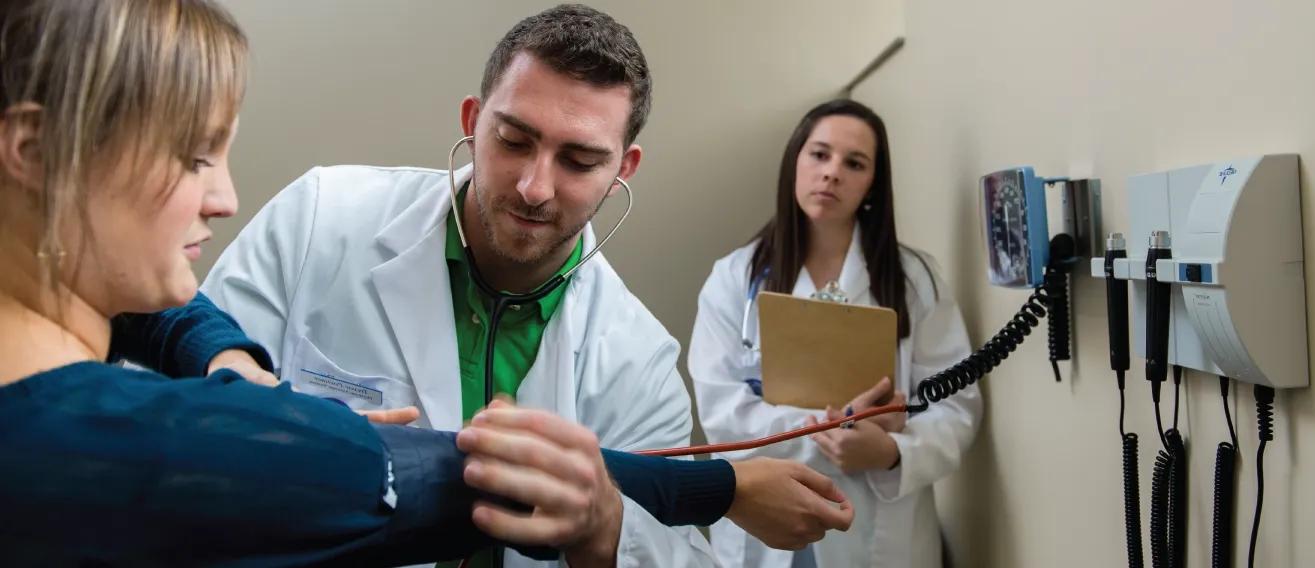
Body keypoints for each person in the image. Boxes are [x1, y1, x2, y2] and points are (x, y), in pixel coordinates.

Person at [0, 1, 849, 566]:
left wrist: (230, 360)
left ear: (623, 169)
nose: (535, 187)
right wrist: (724, 484)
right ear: (473, 123)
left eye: (579, 159)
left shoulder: (636, 354)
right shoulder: (322, 218)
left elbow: (173, 314)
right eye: (515, 140)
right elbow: (463, 475)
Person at [687, 99, 984, 568]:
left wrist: (889, 451)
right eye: (819, 155)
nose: (832, 173)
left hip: (881, 532)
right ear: (795, 163)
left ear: (872, 185)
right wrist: (833, 433)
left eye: (854, 163)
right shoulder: (734, 279)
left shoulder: (914, 280)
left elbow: (956, 405)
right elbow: (722, 412)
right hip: (766, 525)